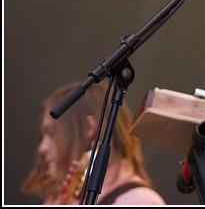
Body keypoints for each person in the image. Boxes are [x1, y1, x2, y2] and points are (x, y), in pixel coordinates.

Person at [21, 82, 166, 205]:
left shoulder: (138, 201)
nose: (42, 148)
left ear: (88, 128)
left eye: (51, 133)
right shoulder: (62, 198)